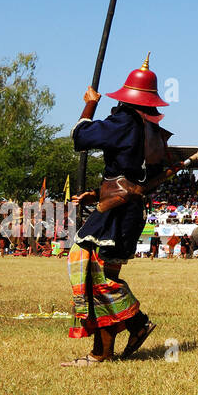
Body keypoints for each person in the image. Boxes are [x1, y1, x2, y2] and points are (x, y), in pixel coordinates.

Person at [64, 56, 173, 365]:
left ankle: (131, 325)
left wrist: (89, 105)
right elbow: (136, 176)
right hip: (127, 206)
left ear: (126, 96)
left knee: (88, 265)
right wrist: (99, 192)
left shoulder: (124, 120)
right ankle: (114, 344)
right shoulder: (152, 129)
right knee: (101, 273)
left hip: (118, 209)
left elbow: (80, 138)